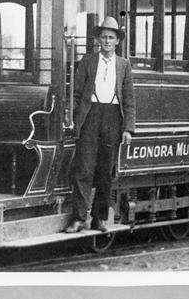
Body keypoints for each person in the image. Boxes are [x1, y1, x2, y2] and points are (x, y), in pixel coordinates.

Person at [64, 16, 135, 234]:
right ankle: (78, 218)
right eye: (104, 37)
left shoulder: (124, 65)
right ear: (98, 40)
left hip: (113, 118)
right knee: (84, 169)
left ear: (117, 41)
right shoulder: (88, 61)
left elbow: (129, 99)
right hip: (90, 117)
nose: (107, 41)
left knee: (106, 171)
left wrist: (128, 129)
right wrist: (70, 116)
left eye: (111, 38)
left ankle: (99, 218)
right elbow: (76, 93)